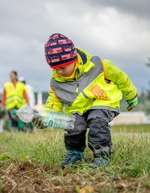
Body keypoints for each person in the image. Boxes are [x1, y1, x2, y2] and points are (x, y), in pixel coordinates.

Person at [32, 33, 138, 168]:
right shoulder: (56, 83)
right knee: (74, 125)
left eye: (63, 67)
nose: (59, 72)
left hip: (103, 101)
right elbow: (53, 104)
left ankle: (101, 156)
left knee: (97, 121)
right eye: (54, 68)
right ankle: (75, 152)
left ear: (74, 59)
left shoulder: (99, 65)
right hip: (79, 108)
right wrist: (45, 117)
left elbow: (121, 78)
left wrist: (131, 96)